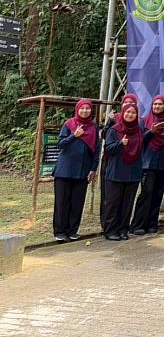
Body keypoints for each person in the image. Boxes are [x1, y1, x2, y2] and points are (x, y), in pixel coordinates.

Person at [53, 99, 99, 242]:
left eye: (88, 108)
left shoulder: (93, 127)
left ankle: (72, 231)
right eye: (82, 108)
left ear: (91, 110)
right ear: (77, 109)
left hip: (82, 171)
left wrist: (93, 168)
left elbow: (96, 150)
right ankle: (60, 232)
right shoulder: (69, 124)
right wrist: (74, 136)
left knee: (77, 203)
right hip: (64, 171)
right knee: (62, 202)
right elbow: (60, 144)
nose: (85, 111)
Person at [103, 101, 147, 241]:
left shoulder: (139, 131)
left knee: (127, 204)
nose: (130, 114)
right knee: (113, 203)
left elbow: (141, 150)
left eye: (133, 113)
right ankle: (110, 230)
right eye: (128, 112)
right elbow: (108, 148)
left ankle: (123, 230)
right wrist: (121, 144)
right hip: (116, 171)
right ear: (122, 113)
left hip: (133, 171)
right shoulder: (114, 130)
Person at [130, 95, 164, 235]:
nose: (157, 107)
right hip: (148, 162)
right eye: (154, 104)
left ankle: (152, 223)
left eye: (160, 104)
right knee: (146, 193)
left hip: (163, 162)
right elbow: (140, 141)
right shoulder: (144, 121)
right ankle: (137, 224)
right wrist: (151, 132)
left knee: (158, 193)